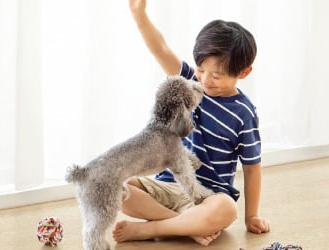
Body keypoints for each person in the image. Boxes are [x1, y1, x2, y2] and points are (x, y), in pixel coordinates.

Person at [112, 0, 270, 246]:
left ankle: (152, 229)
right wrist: (139, 15)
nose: (206, 80)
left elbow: (252, 167)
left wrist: (252, 216)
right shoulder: (188, 82)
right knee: (115, 184)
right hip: (167, 186)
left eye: (216, 75)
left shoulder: (244, 113)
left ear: (244, 72)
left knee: (227, 209)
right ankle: (181, 225)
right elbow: (161, 50)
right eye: (201, 69)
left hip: (208, 197)